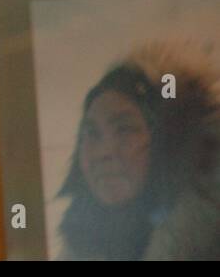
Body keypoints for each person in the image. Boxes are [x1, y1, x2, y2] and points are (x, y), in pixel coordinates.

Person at [56, 40, 220, 260]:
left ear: (169, 148)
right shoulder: (82, 243)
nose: (104, 153)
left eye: (125, 130)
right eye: (92, 134)